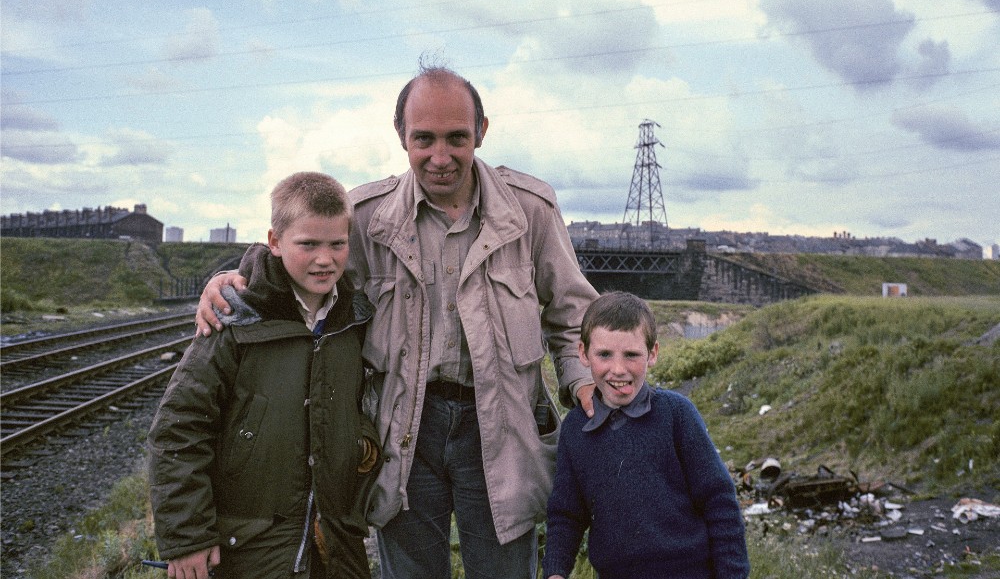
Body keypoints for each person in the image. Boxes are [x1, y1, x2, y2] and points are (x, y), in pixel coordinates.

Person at [195, 62, 600, 578]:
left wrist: (584, 383)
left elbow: (574, 315)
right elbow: (303, 266)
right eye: (423, 139)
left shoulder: (529, 211)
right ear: (401, 136)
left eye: (457, 138)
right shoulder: (366, 218)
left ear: (481, 131)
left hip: (502, 427)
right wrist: (234, 278)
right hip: (403, 430)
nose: (440, 156)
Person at [149, 172, 382, 579]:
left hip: (336, 545)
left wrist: (360, 439)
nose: (324, 259)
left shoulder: (356, 318)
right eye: (307, 244)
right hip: (251, 549)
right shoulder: (234, 320)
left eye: (337, 244)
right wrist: (188, 538)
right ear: (274, 242)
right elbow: (179, 429)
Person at [541, 290, 750, 579]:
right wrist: (555, 572)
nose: (618, 369)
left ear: (652, 354)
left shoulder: (678, 414)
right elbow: (566, 515)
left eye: (631, 355)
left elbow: (720, 502)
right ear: (583, 354)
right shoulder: (576, 429)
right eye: (604, 354)